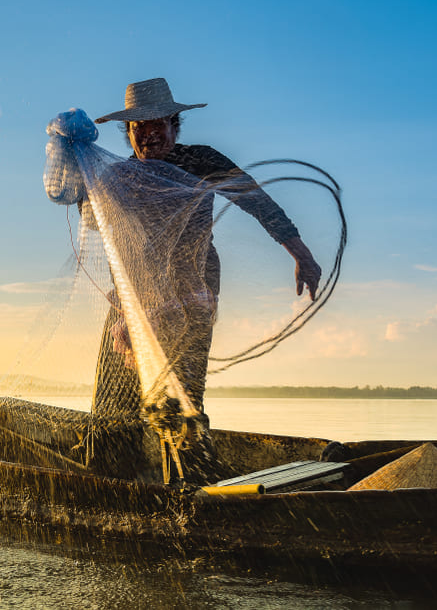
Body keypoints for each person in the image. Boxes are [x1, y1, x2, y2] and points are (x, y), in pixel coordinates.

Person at [83, 78, 322, 480]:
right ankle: (109, 481)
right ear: (128, 133)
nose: (151, 133)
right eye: (140, 127)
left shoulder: (201, 160)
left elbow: (256, 200)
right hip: (132, 298)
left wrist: (301, 254)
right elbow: (95, 226)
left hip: (190, 295)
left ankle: (190, 487)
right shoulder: (116, 175)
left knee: (182, 395)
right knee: (113, 400)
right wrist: (80, 178)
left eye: (160, 123)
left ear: (176, 126)